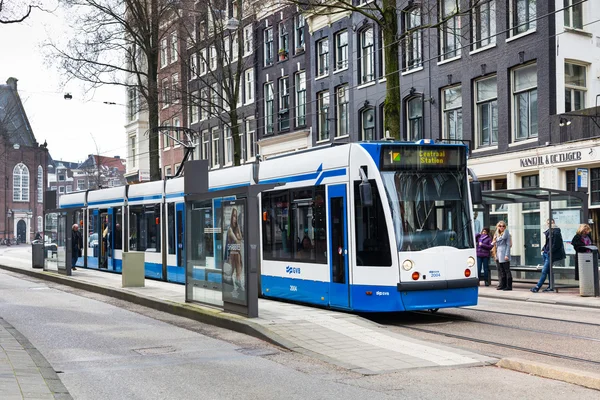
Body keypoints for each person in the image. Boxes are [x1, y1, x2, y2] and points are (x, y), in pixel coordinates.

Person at [531, 219, 566, 293]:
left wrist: (550, 251)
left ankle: (537, 287)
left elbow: (556, 244)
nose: (549, 224)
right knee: (549, 271)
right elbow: (548, 243)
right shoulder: (549, 231)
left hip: (551, 254)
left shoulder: (556, 232)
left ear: (554, 223)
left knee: (544, 271)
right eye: (548, 223)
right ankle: (551, 287)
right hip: (546, 253)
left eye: (551, 222)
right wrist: (544, 248)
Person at [227, 208, 244, 291]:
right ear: (231, 217)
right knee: (234, 267)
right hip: (232, 253)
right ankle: (236, 282)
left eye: (236, 216)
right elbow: (237, 240)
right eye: (234, 216)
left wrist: (239, 228)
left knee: (238, 265)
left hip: (237, 252)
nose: (235, 218)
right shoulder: (230, 229)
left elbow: (240, 238)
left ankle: (238, 281)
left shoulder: (237, 228)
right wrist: (238, 238)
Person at [492, 221, 512, 291]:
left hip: (504, 253)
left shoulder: (506, 234)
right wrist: (495, 255)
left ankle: (509, 286)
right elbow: (494, 245)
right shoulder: (497, 234)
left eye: (503, 226)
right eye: (500, 226)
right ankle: (503, 285)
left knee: (507, 270)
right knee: (502, 270)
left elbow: (508, 245)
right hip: (499, 254)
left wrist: (506, 255)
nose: (501, 227)